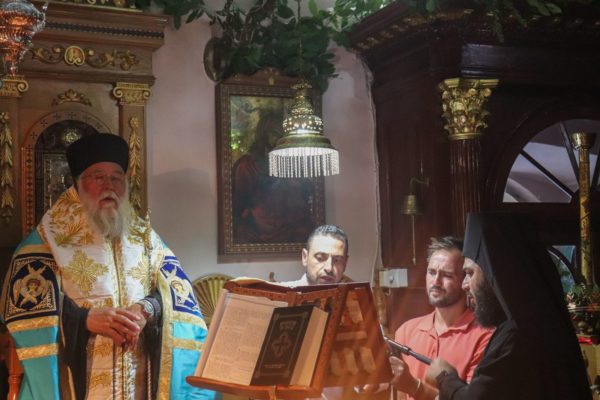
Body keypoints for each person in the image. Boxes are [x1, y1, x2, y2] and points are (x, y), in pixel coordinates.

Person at [0, 134, 217, 399]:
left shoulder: (143, 235)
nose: (109, 186)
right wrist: (84, 320)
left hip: (138, 372)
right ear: (77, 183)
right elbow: (25, 303)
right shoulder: (50, 236)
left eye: (116, 178)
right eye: (98, 177)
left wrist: (146, 309)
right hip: (81, 374)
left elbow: (178, 293)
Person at [425, 212, 591, 400]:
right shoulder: (540, 323)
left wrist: (444, 378)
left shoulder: (516, 336)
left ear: (494, 273)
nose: (465, 285)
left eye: (470, 273)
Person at [390, 237, 493, 400]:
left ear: (465, 280)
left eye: (447, 275)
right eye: (431, 272)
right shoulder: (406, 330)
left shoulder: (485, 336)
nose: (436, 282)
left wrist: (414, 386)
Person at [278, 224, 350, 287]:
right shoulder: (281, 294)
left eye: (337, 260)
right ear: (305, 257)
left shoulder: (354, 296)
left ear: (345, 263)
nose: (329, 268)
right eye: (320, 258)